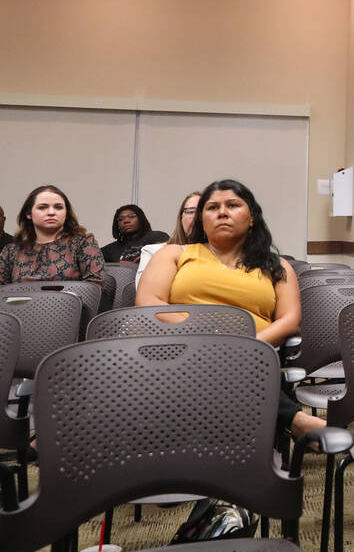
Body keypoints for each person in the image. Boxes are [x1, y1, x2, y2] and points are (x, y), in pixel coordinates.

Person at [136, 179, 322, 438]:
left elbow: (290, 320)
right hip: (181, 349)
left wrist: (250, 342)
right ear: (202, 219)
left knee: (230, 359)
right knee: (216, 358)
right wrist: (205, 338)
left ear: (252, 218)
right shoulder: (174, 254)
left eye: (233, 205)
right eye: (212, 208)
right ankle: (293, 419)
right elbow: (148, 301)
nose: (222, 212)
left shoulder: (276, 266)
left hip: (252, 352)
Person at [0, 185, 105, 286]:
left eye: (58, 207)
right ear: (28, 214)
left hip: (70, 307)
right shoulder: (11, 251)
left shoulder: (83, 243)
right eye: (42, 207)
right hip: (19, 308)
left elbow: (94, 286)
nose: (51, 212)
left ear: (66, 213)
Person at [135, 191, 202, 288]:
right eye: (190, 211)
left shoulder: (225, 256)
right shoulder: (153, 252)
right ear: (181, 218)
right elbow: (145, 296)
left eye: (202, 211)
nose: (196, 217)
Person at [100, 203, 169, 263]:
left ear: (141, 219)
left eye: (131, 216)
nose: (126, 221)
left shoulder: (157, 237)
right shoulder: (111, 249)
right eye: (121, 219)